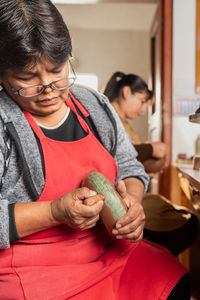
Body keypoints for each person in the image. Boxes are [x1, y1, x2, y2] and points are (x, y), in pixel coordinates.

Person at [0, 1, 190, 299]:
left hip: (105, 250)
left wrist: (134, 207)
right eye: (27, 78)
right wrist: (53, 212)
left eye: (57, 69)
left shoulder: (93, 104)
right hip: (32, 267)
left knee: (169, 277)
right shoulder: (3, 121)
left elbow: (130, 167)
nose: (48, 87)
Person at [103, 71, 199, 256]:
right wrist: (150, 149)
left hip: (129, 192)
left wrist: (150, 165)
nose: (142, 109)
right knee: (188, 224)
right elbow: (114, 156)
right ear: (126, 93)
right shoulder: (108, 116)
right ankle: (146, 259)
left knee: (183, 216)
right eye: (141, 101)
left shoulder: (124, 122)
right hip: (119, 194)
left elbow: (127, 162)